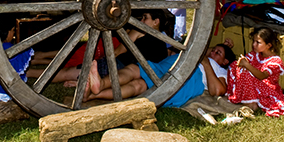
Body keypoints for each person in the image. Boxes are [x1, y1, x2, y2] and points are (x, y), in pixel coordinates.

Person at [27, 10, 171, 86]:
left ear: (155, 22)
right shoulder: (162, 44)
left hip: (117, 66)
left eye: (145, 18)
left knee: (66, 72)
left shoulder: (141, 31)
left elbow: (120, 50)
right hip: (132, 76)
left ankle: (28, 73)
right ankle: (85, 82)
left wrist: (102, 60)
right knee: (72, 69)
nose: (141, 21)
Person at [85, 41, 236, 108]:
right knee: (133, 69)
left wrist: (207, 63)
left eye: (218, 53)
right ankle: (101, 84)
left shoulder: (220, 70)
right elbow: (201, 45)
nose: (213, 52)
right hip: (169, 65)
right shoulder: (205, 56)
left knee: (139, 86)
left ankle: (94, 95)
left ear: (225, 61)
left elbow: (217, 91)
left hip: (186, 79)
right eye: (214, 49)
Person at [227, 26, 284, 117]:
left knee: (246, 72)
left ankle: (251, 103)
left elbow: (262, 76)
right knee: (235, 66)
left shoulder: (275, 61)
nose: (254, 45)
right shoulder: (255, 55)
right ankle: (244, 98)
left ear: (268, 45)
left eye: (258, 42)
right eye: (254, 41)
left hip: (267, 88)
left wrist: (247, 65)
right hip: (255, 86)